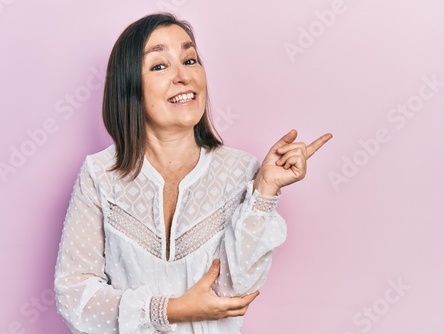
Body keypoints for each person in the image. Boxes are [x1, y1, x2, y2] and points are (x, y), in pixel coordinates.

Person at [54, 12, 332, 334]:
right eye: (160, 66)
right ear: (129, 87)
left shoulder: (240, 171)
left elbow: (235, 290)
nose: (184, 76)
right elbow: (73, 296)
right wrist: (170, 310)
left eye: (190, 60)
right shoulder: (100, 175)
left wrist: (265, 191)